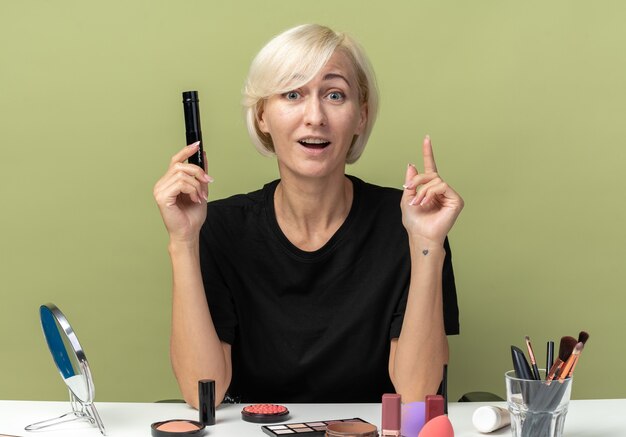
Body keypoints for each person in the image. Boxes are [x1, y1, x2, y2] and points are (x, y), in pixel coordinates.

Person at [153, 24, 464, 407]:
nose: (315, 116)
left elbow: (417, 395)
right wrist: (183, 241)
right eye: (292, 94)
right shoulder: (220, 228)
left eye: (335, 94)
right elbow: (204, 393)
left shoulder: (408, 225)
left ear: (361, 117)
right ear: (263, 115)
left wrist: (427, 245)